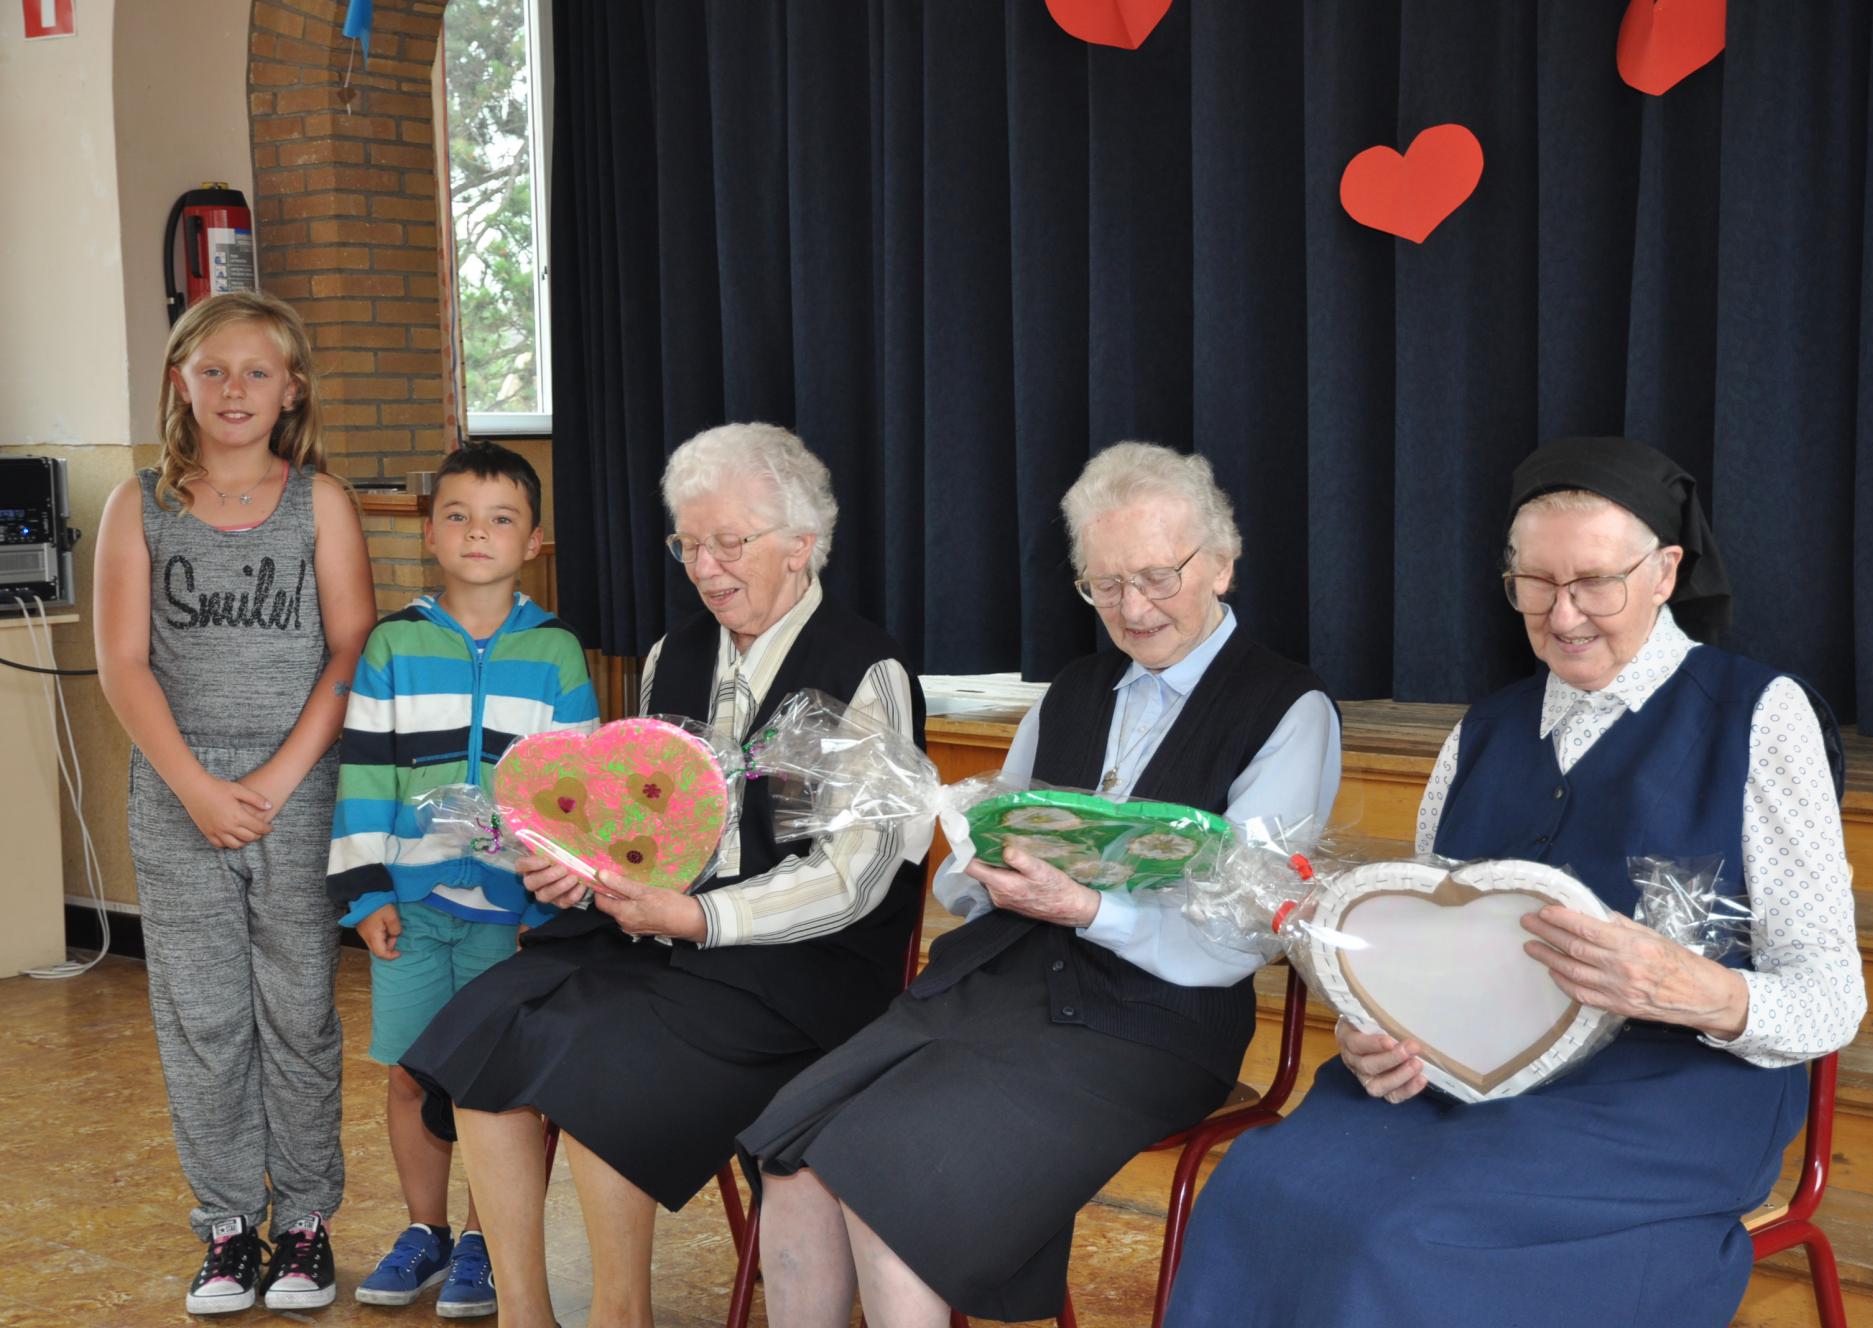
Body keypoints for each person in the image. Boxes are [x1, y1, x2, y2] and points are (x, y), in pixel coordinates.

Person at [1162, 436, 1867, 1327]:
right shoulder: (1482, 732)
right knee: (1258, 1189)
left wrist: (1704, 992)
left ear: (1665, 572)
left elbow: (1832, 997)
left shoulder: (1761, 716)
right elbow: (1417, 952)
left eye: (1594, 584)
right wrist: (1379, 1030)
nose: (1564, 615)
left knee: (1404, 1235)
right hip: (1460, 1071)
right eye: (1535, 584)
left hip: (1666, 1095)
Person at [738, 441, 1343, 1326]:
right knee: (794, 1146)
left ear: (1222, 562)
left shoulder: (1288, 708)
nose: (1132, 609)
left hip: (1154, 1023)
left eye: (1157, 577)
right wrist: (977, 859)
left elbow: (1243, 927)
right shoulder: (1076, 689)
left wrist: (1089, 908)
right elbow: (983, 862)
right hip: (999, 987)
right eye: (1105, 585)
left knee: (887, 1175)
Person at [399, 422, 930, 1327]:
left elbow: (855, 876)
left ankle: (621, 1313)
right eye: (690, 544)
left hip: (797, 967)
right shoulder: (669, 656)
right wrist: (576, 870)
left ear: (802, 545)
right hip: (653, 932)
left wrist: (699, 920)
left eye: (731, 543)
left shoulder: (864, 668)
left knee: (609, 1057)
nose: (707, 567)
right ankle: (526, 1313)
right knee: (484, 1025)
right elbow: (630, 828)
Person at [95, 291, 376, 1315]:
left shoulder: (321, 502)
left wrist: (277, 776)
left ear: (291, 388)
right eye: (212, 370)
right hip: (177, 791)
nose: (233, 390)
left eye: (258, 372)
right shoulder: (141, 503)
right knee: (203, 1013)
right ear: (180, 380)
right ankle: (224, 1226)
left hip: (296, 787)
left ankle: (303, 1219)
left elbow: (351, 646)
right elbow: (123, 661)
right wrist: (197, 787)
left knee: (298, 1010)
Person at [325, 442, 597, 1317]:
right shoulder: (393, 646)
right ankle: (425, 1229)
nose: (478, 533)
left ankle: (489, 1239)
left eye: (501, 518)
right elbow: (363, 772)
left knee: (493, 1081)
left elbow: (580, 791)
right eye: (457, 515)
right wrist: (364, 894)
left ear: (534, 540)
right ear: (430, 533)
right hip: (410, 906)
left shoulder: (556, 653)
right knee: (409, 1072)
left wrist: (556, 900)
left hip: (511, 918)